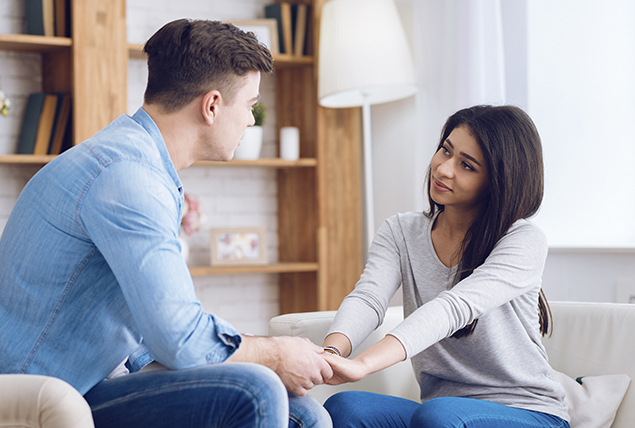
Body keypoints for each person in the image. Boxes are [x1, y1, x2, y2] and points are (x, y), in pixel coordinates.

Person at [0, 19, 332, 428]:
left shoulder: (135, 162)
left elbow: (146, 331)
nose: (251, 121)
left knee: (303, 413)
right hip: (36, 394)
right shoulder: (128, 176)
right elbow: (178, 337)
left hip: (83, 383)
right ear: (211, 106)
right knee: (255, 389)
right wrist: (275, 354)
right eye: (249, 105)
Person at [320, 105, 571, 428]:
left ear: (497, 182)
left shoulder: (523, 240)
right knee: (346, 407)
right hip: (443, 413)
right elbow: (368, 298)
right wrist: (333, 352)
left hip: (528, 413)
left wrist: (364, 365)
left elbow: (452, 309)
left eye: (466, 165)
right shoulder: (401, 231)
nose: (444, 169)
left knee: (438, 416)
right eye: (445, 151)